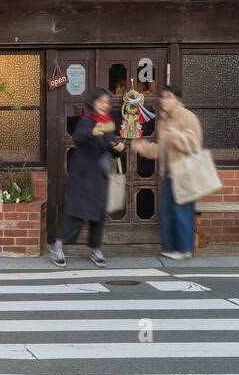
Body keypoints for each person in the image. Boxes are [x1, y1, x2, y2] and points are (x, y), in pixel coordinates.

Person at [50, 88, 125, 269]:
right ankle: (57, 246)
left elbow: (109, 145)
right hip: (83, 176)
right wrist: (93, 131)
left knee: (98, 214)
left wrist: (118, 147)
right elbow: (78, 138)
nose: (104, 105)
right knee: (77, 212)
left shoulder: (107, 122)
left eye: (106, 102)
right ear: (92, 103)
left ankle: (95, 249)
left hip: (100, 175)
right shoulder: (87, 120)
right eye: (100, 102)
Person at [134, 85, 202, 261]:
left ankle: (184, 248)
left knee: (182, 211)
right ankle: (170, 247)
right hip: (169, 172)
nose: (164, 100)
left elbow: (194, 146)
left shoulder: (188, 117)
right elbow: (162, 150)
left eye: (169, 97)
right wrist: (145, 148)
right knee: (167, 211)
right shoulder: (163, 120)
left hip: (185, 173)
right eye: (163, 97)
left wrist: (175, 136)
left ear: (178, 100)